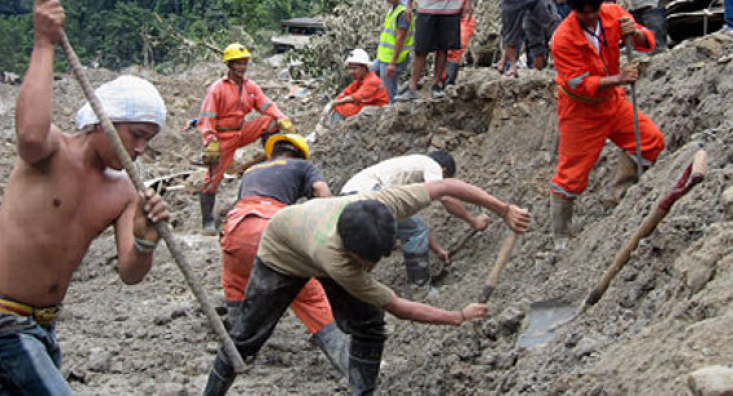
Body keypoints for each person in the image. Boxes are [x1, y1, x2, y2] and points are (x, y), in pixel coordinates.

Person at [0, 0, 170, 395]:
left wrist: (145, 239)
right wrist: (43, 42)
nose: (141, 149)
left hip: (41, 327)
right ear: (105, 120)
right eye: (137, 135)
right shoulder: (51, 152)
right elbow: (30, 133)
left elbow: (130, 273)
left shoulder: (125, 191)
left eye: (149, 141)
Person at [203, 179, 531, 395]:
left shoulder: (382, 204)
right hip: (281, 251)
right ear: (349, 252)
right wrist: (459, 316)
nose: (371, 268)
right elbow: (399, 307)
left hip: (312, 232)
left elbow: (447, 185)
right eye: (365, 262)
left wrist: (504, 210)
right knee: (247, 337)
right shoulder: (337, 260)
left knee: (369, 329)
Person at [549, 0, 665, 251]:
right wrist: (618, 79)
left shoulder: (614, 14)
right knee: (571, 175)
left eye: (594, 11)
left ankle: (621, 195)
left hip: (614, 102)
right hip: (581, 111)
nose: (590, 18)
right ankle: (561, 237)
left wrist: (635, 33)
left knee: (650, 141)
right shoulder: (562, 39)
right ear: (573, 9)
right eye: (582, 13)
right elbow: (577, 81)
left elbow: (646, 41)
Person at [220, 132, 349, 375]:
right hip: (271, 228)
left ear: (273, 151)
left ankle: (237, 354)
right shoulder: (304, 166)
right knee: (311, 298)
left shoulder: (252, 170)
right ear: (299, 154)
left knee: (237, 284)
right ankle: (350, 366)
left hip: (236, 227)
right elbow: (322, 194)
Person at [340, 151, 491, 298]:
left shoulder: (408, 170)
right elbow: (444, 196)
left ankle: (349, 288)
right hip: (370, 194)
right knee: (414, 230)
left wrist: (439, 251)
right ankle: (420, 289)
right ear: (443, 170)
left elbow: (413, 223)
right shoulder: (432, 165)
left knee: (371, 240)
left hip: (346, 198)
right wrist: (473, 221)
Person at [198, 43, 295, 234]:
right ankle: (207, 220)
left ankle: (272, 160)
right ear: (229, 65)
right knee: (213, 179)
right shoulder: (217, 89)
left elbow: (266, 105)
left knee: (270, 121)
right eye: (238, 63)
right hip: (222, 137)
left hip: (241, 131)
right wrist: (210, 140)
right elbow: (206, 117)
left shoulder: (250, 87)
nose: (242, 67)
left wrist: (282, 118)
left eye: (244, 63)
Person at [370, 0, 414, 101]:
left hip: (392, 59)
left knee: (390, 92)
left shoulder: (402, 13)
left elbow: (401, 38)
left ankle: (392, 113)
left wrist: (393, 64)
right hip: (383, 57)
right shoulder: (394, 9)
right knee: (369, 72)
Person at [330, 48, 389, 126]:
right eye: (350, 68)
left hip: (378, 109)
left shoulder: (372, 81)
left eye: (354, 68)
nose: (351, 71)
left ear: (364, 67)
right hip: (368, 104)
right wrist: (338, 99)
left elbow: (356, 97)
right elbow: (348, 91)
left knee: (344, 108)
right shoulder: (360, 79)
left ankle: (335, 130)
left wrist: (336, 102)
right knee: (341, 106)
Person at [444, 13, 476, 86]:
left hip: (463, 16)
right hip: (445, 14)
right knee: (444, 50)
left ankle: (449, 83)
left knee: (456, 49)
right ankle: (442, 82)